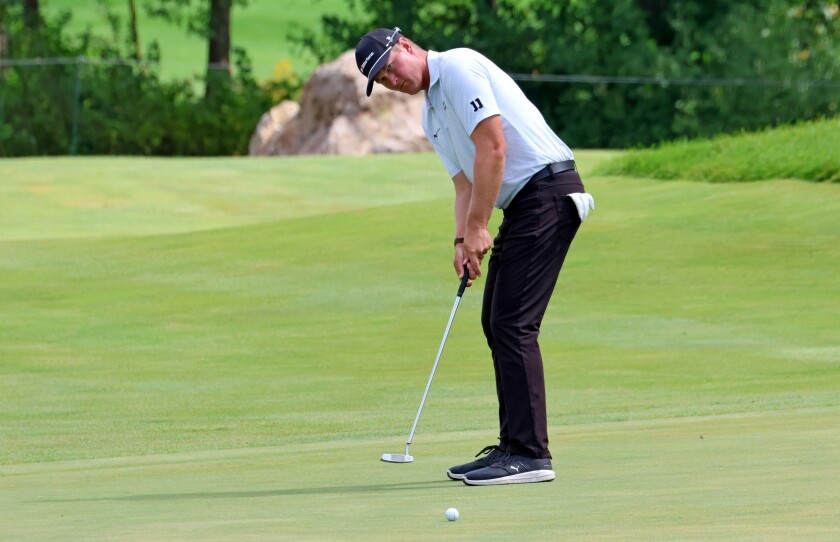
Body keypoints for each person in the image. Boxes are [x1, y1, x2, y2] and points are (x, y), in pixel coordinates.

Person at [355, 27, 594, 486]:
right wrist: (461, 242)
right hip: (524, 203)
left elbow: (494, 147)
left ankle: (530, 454)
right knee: (496, 321)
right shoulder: (431, 116)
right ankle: (512, 447)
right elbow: (464, 183)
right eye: (380, 79)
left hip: (547, 192)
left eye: (389, 66)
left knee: (512, 322)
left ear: (405, 46)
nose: (391, 79)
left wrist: (480, 226)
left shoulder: (459, 67)